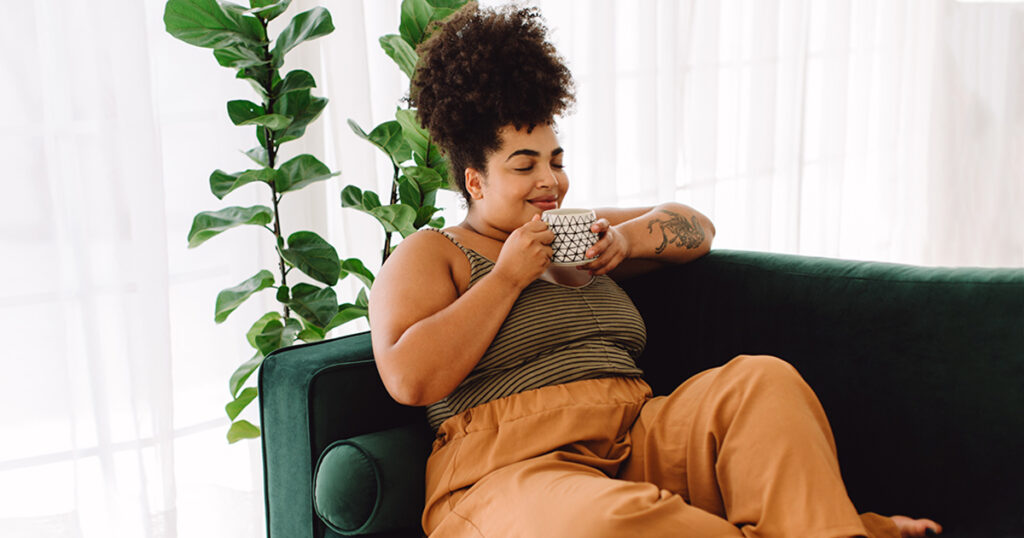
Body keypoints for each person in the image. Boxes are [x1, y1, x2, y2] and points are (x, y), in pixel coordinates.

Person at [369, 3, 942, 537]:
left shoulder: (575, 231)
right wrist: (508, 278)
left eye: (557, 161)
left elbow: (696, 227)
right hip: (508, 471)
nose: (551, 181)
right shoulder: (433, 252)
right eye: (525, 166)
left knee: (763, 384)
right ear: (476, 180)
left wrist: (625, 238)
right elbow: (410, 379)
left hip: (637, 436)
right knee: (605, 523)